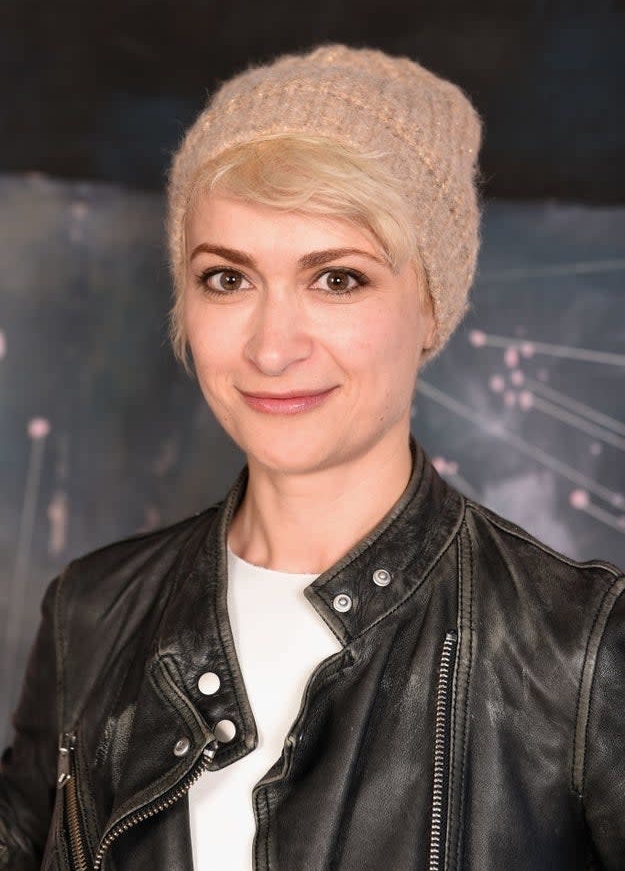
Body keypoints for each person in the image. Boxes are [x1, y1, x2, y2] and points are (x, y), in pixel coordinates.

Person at [1, 44, 623, 871]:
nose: (271, 347)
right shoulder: (90, 610)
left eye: (336, 279)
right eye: (227, 278)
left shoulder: (580, 647)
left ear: (433, 305)